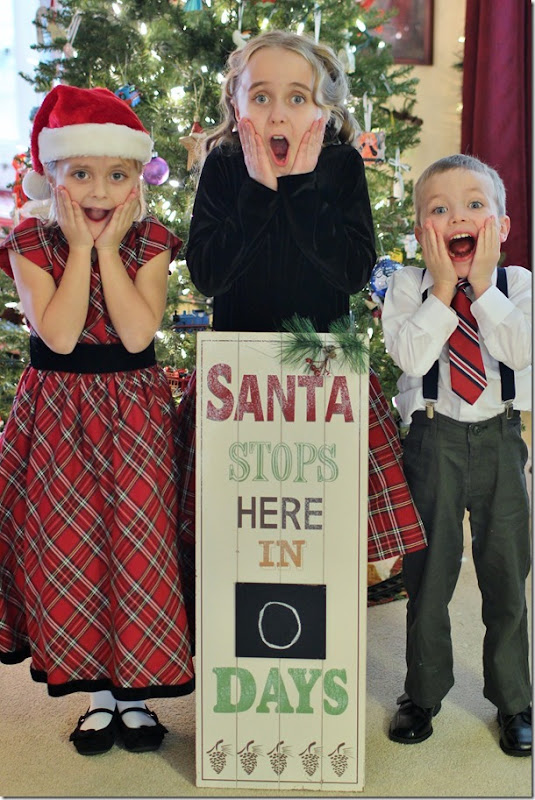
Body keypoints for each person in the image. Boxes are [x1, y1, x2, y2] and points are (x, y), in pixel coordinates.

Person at [177, 29, 428, 625]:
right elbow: (208, 273)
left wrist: (299, 187)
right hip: (239, 383)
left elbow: (351, 270)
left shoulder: (340, 166)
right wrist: (261, 191)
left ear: (324, 109)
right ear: (235, 102)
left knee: (315, 510)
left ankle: (320, 621)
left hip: (323, 377)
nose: (277, 113)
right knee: (245, 512)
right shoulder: (223, 166)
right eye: (260, 96)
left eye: (297, 97)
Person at [0, 85, 194, 756]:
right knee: (72, 546)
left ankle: (135, 695)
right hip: (57, 413)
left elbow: (137, 332)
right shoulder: (29, 239)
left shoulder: (149, 241)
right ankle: (99, 698)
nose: (99, 190)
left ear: (137, 178)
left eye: (116, 175)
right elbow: (57, 335)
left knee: (138, 546)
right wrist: (80, 249)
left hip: (134, 412)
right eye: (80, 173)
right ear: (50, 175)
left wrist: (108, 249)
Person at [381, 154, 531, 756]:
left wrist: (484, 286)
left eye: (474, 205)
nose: (458, 217)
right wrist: (444, 289)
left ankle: (515, 699)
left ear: (501, 225)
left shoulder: (518, 284)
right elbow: (411, 358)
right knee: (429, 575)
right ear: (422, 232)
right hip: (432, 441)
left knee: (506, 576)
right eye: (439, 210)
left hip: (501, 439)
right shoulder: (407, 286)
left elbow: (520, 350)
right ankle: (422, 693)